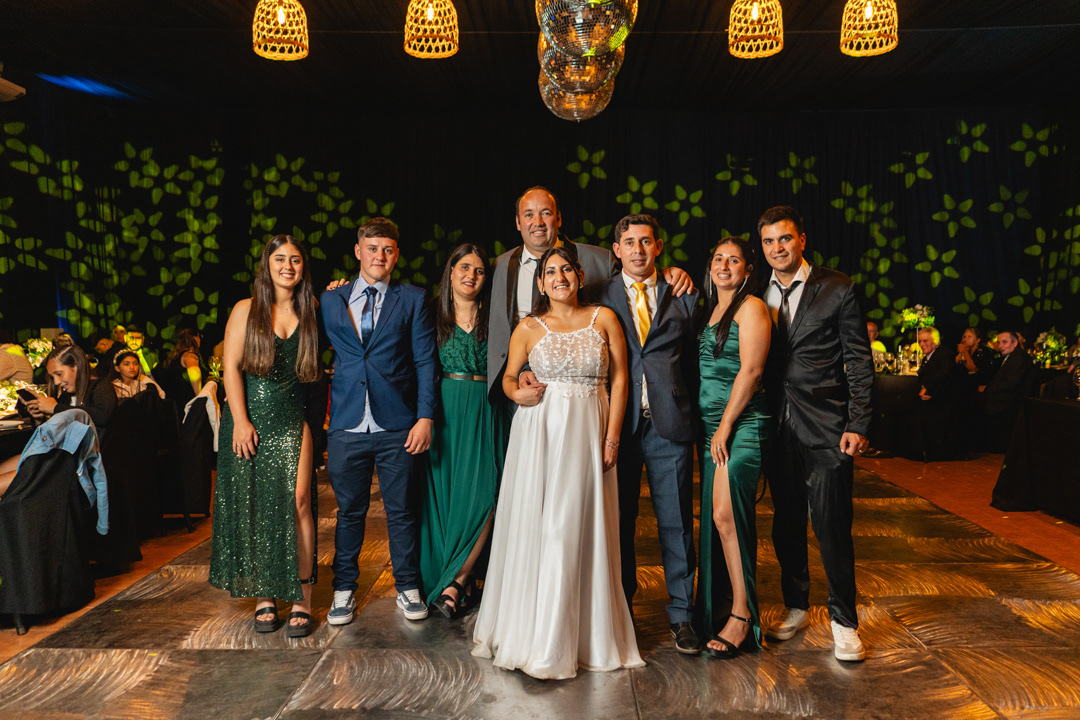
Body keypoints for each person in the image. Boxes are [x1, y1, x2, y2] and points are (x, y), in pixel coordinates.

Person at [473, 245, 643, 680]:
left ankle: (582, 639)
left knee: (579, 528)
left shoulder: (604, 319)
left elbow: (621, 379)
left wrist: (612, 437)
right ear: (541, 282)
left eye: (567, 269)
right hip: (539, 438)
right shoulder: (528, 327)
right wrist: (517, 391)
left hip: (589, 435)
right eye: (551, 272)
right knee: (544, 528)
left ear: (580, 275)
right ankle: (540, 638)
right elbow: (508, 378)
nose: (560, 277)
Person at [757, 206, 873, 662]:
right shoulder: (754, 289)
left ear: (802, 240)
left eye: (785, 238)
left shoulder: (838, 287)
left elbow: (858, 360)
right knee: (786, 523)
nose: (777, 248)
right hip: (774, 424)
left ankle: (845, 622)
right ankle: (797, 606)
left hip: (827, 427)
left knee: (831, 526)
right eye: (768, 241)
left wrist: (858, 422)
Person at [321, 218, 438, 625]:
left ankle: (408, 586)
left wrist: (425, 417)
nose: (379, 256)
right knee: (349, 513)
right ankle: (343, 590)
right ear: (358, 251)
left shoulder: (413, 298)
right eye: (372, 248)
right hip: (346, 424)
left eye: (387, 249)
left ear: (396, 254)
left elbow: (425, 362)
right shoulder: (330, 300)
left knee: (402, 511)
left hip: (398, 425)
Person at [487, 187, 692, 410]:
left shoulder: (601, 261)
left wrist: (666, 274)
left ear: (558, 218)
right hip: (518, 394)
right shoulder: (500, 265)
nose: (538, 222)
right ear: (518, 222)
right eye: (529, 214)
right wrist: (521, 373)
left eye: (545, 213)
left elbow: (636, 284)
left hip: (589, 401)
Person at [208, 235, 322, 638]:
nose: (288, 266)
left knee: (300, 501)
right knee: (258, 506)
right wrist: (240, 421)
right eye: (280, 259)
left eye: (295, 259)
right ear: (267, 265)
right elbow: (230, 368)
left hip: (293, 417)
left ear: (303, 267)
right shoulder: (246, 309)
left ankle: (303, 597)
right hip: (250, 419)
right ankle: (265, 595)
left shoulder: (312, 308)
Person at [599, 214, 701, 655]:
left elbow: (696, 361)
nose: (637, 249)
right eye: (629, 242)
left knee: (676, 522)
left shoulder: (685, 293)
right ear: (616, 250)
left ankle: (682, 614)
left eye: (646, 242)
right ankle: (621, 609)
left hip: (670, 423)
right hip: (616, 426)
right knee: (617, 520)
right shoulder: (597, 296)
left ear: (658, 247)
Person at [418, 243, 509, 617]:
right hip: (443, 410)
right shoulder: (429, 312)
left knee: (486, 494)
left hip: (487, 409)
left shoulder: (498, 316)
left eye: (479, 270)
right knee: (445, 497)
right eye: (464, 268)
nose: (471, 275)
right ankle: (456, 578)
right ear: (451, 272)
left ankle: (456, 580)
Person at [695, 236, 772, 659]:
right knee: (720, 519)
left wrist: (724, 428)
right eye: (718, 259)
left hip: (741, 424)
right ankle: (728, 607)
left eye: (734, 260)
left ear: (747, 270)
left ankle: (742, 616)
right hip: (714, 427)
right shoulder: (712, 309)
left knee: (728, 517)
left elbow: (752, 371)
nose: (724, 266)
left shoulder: (752, 307)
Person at [25, 345, 117, 438]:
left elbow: (102, 416)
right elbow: (54, 437)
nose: (56, 382)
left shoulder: (101, 385)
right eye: (52, 377)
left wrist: (55, 408)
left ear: (77, 366)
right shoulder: (66, 396)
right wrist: (39, 420)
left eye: (59, 374)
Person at [979, 329, 1034, 451]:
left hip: (1010, 402)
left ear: (1015, 343)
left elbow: (1011, 383)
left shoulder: (1019, 358)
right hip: (1006, 398)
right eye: (999, 342)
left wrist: (987, 389)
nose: (1000, 346)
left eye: (1004, 342)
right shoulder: (1012, 356)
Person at [917, 327, 960, 460]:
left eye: (925, 341)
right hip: (934, 397)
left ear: (935, 341)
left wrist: (928, 388)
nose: (921, 344)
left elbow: (945, 375)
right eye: (920, 341)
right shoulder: (929, 356)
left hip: (943, 401)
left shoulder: (944, 354)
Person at [155, 325, 204, 405]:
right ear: (194, 338)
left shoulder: (175, 356)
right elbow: (195, 376)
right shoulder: (189, 357)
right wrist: (200, 399)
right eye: (199, 336)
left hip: (174, 404)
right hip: (187, 404)